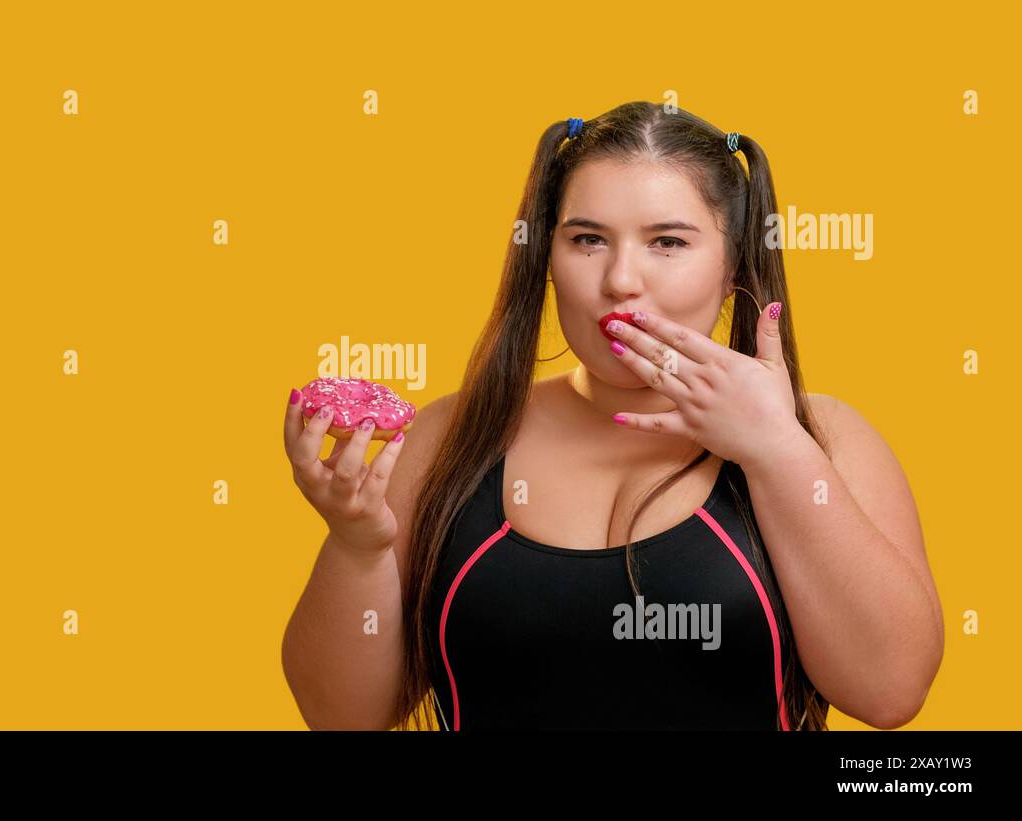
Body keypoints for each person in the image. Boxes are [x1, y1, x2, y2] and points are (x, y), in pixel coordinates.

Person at [280, 101, 942, 730]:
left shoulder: (825, 437)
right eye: (589, 239)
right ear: (547, 258)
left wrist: (776, 449)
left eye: (668, 242)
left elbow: (891, 691)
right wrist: (356, 544)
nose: (622, 278)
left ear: (732, 259)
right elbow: (341, 716)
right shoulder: (452, 437)